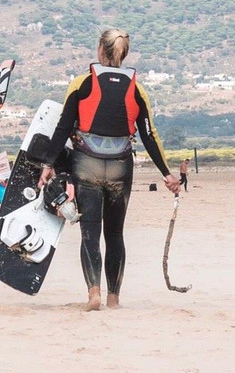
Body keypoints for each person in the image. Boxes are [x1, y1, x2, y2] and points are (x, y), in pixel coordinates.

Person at [39, 29, 181, 311]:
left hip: (86, 165)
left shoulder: (82, 83)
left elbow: (63, 127)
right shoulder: (137, 89)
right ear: (123, 54)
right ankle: (114, 298)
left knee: (90, 232)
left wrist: (47, 164)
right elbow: (149, 134)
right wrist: (167, 174)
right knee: (115, 234)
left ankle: (94, 293)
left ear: (100, 50)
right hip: (120, 168)